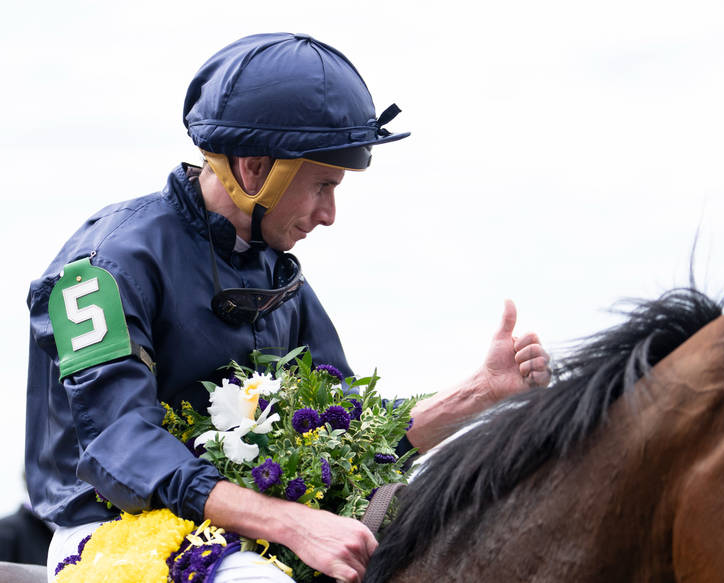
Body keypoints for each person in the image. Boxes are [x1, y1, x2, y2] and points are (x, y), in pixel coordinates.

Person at [26, 33, 550, 582]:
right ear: (254, 170)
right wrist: (292, 524)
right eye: (323, 186)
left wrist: (480, 393)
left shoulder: (276, 272)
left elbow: (345, 437)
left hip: (261, 528)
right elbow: (120, 447)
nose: (328, 214)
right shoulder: (104, 265)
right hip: (111, 536)